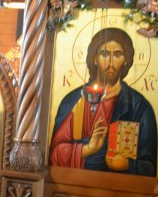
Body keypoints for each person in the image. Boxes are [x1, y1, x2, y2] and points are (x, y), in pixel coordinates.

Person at [49, 27, 157, 177]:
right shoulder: (73, 101)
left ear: (126, 60)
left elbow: (150, 167)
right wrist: (88, 149)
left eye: (117, 55)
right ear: (95, 58)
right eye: (105, 54)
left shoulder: (139, 107)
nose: (111, 62)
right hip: (76, 183)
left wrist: (128, 164)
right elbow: (54, 154)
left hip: (119, 188)